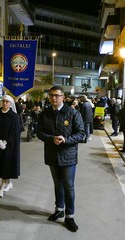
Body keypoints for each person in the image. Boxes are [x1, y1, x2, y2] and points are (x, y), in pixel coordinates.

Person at [37, 86, 85, 232]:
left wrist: (66, 140)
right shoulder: (45, 114)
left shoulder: (73, 113)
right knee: (57, 184)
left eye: (57, 95)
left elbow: (81, 133)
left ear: (63, 97)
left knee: (68, 186)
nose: (54, 98)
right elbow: (39, 133)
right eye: (51, 95)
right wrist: (52, 139)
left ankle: (70, 216)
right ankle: (59, 209)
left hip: (68, 156)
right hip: (52, 154)